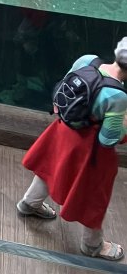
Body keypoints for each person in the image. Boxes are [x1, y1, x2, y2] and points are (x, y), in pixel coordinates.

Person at [17, 39, 127, 262]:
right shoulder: (118, 96)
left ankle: (29, 203)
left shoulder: (87, 61)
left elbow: (63, 92)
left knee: (49, 168)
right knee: (94, 196)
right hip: (88, 150)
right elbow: (108, 139)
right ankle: (92, 245)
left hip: (61, 131)